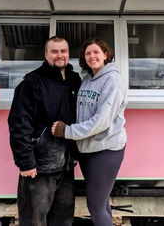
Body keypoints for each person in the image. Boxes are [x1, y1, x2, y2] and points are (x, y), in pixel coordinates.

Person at [52, 36, 127, 226]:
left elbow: (100, 122)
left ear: (106, 54)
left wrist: (67, 131)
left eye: (96, 52)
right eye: (87, 53)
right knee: (101, 204)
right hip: (87, 150)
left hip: (105, 150)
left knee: (95, 207)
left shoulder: (113, 80)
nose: (92, 56)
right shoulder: (87, 79)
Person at [8, 36, 81, 226]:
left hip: (65, 164)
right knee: (34, 221)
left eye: (63, 51)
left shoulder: (74, 80)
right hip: (39, 166)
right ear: (46, 54)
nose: (59, 55)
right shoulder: (32, 83)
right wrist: (25, 162)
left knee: (63, 219)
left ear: (68, 54)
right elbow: (18, 124)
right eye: (54, 51)